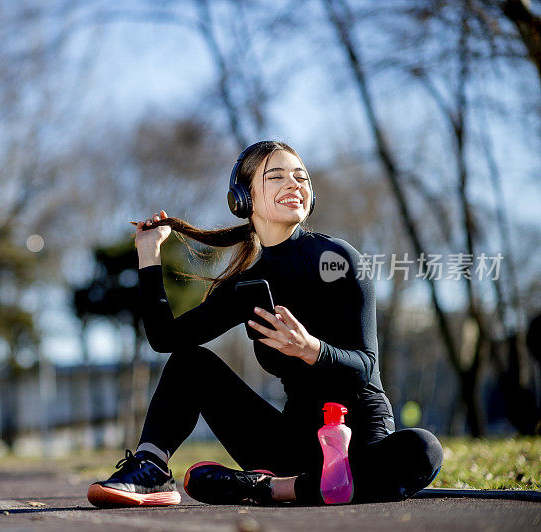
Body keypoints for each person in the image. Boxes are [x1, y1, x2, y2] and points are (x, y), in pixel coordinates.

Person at [86, 141, 443, 508]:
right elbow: (165, 338)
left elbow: (365, 367)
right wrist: (149, 254)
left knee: (423, 449)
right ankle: (152, 469)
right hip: (291, 449)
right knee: (189, 362)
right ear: (244, 198)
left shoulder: (336, 259)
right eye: (277, 176)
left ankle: (266, 488)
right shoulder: (248, 285)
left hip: (357, 442)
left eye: (301, 177)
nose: (294, 184)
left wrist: (311, 350)